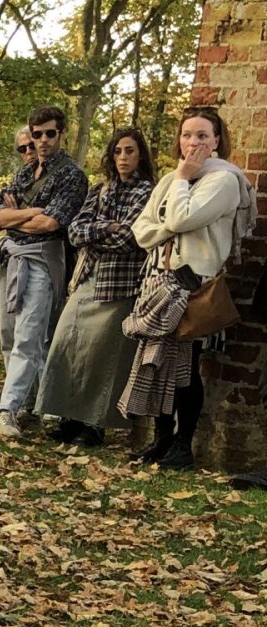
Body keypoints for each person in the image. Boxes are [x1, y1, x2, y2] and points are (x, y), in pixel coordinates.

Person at [121, 106, 254, 470]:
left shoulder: (224, 180)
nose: (192, 143)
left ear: (216, 141)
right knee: (157, 362)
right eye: (186, 135)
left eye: (201, 136)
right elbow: (142, 230)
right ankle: (161, 439)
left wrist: (183, 180)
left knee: (186, 366)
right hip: (158, 279)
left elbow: (181, 217)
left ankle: (183, 444)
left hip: (193, 284)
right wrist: (170, 220)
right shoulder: (170, 178)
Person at [33, 128, 155, 447]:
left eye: (129, 151)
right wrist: (105, 228)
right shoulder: (101, 189)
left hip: (121, 285)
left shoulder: (148, 192)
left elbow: (131, 237)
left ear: (140, 155)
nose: (123, 158)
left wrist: (97, 233)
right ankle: (66, 415)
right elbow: (75, 231)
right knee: (68, 347)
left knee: (103, 356)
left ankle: (94, 423)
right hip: (87, 277)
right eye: (117, 151)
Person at [0, 106, 89, 438]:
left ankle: (8, 410)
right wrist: (30, 213)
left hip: (44, 261)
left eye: (49, 133)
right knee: (9, 335)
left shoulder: (71, 175)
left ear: (61, 134)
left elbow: (52, 223)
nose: (42, 140)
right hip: (12, 258)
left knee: (30, 337)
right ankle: (34, 403)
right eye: (36, 134)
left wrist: (18, 218)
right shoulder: (24, 173)